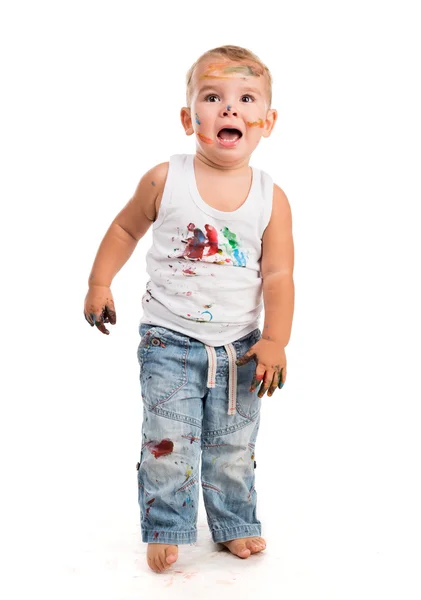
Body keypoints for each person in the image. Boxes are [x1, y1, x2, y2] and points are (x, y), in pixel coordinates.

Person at [83, 44, 295, 574]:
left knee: (233, 444)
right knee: (168, 437)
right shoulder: (165, 179)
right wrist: (99, 281)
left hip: (242, 350)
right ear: (188, 117)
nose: (230, 109)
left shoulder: (272, 198)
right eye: (213, 96)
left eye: (246, 98)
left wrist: (276, 340)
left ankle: (234, 523)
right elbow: (124, 228)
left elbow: (279, 275)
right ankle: (168, 525)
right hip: (169, 341)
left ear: (266, 122)